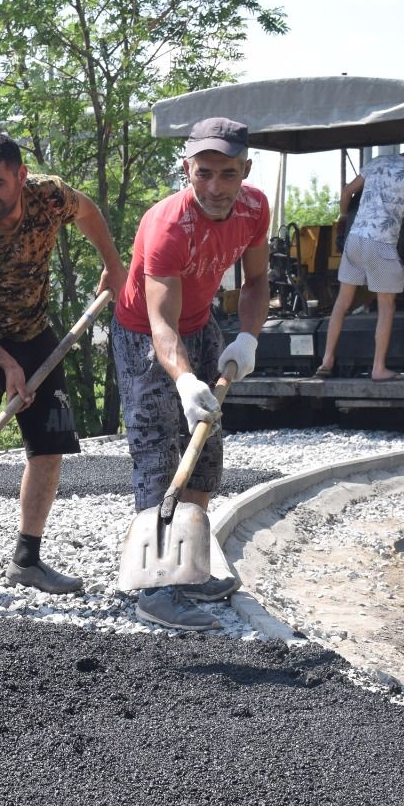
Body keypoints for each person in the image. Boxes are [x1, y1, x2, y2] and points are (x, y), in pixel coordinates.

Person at [0, 131, 127, 613]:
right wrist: (5, 364)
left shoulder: (49, 196)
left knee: (49, 445)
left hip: (33, 329)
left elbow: (86, 211)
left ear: (21, 176)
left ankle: (27, 559)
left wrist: (112, 263)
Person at [111, 117, 270, 631]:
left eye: (228, 173)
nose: (216, 187)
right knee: (159, 452)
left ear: (245, 169)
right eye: (204, 173)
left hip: (202, 326)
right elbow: (160, 324)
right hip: (143, 336)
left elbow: (257, 279)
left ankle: (191, 569)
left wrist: (248, 336)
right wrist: (183, 379)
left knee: (204, 450)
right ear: (187, 169)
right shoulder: (166, 226)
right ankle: (156, 588)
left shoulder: (253, 208)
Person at [317, 132, 404, 382]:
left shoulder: (378, 162)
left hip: (355, 240)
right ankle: (379, 368)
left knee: (342, 303)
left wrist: (345, 217)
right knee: (386, 306)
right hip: (381, 244)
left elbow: (347, 192)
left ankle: (326, 360)